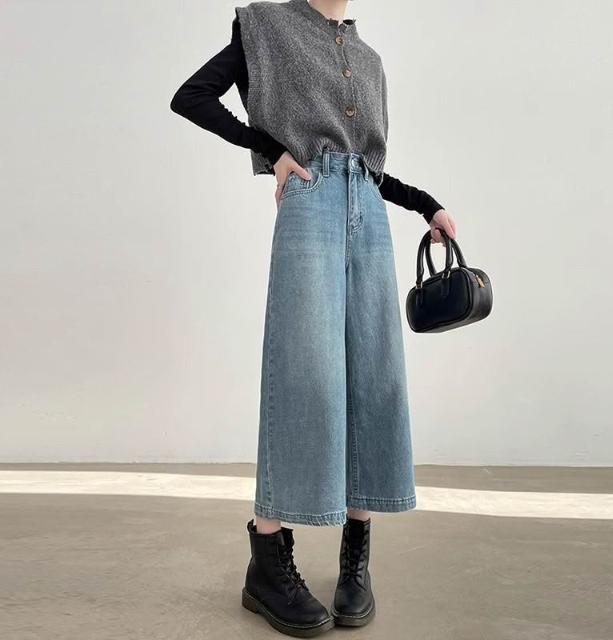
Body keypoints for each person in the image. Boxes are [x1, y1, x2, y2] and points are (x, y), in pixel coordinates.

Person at [170, 0, 457, 636]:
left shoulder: (369, 60)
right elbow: (191, 97)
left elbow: (368, 168)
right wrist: (272, 151)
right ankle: (267, 561)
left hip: (370, 215)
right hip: (309, 204)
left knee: (373, 376)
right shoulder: (267, 25)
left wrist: (425, 205)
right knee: (306, 373)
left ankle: (356, 560)